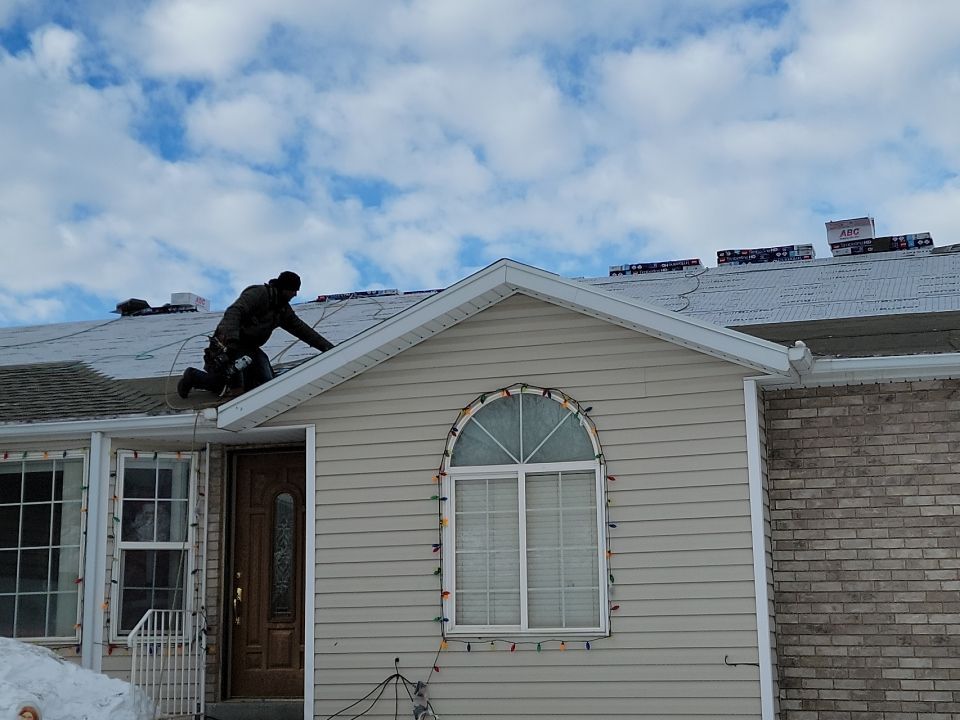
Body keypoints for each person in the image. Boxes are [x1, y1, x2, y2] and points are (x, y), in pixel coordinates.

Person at [177, 271, 333, 399]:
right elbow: (234, 312)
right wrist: (231, 342)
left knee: (267, 384)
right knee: (234, 388)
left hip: (250, 348)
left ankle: (230, 380)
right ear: (284, 288)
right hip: (229, 345)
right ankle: (193, 377)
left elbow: (303, 330)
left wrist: (329, 349)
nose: (295, 294)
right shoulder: (258, 294)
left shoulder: (282, 310)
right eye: (293, 290)